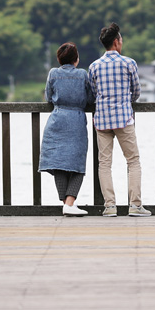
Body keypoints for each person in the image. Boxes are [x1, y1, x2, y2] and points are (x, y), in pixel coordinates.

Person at [88, 22, 150, 217]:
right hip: (123, 118)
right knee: (133, 161)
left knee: (104, 163)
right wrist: (126, 101)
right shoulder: (129, 63)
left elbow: (93, 92)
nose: (122, 42)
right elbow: (137, 91)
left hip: (102, 120)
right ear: (116, 42)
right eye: (121, 39)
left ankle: (110, 207)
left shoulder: (94, 66)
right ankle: (135, 205)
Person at [39, 42, 93, 216]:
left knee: (58, 164)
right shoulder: (82, 74)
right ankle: (69, 204)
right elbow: (90, 98)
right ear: (76, 59)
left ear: (59, 59)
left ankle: (67, 204)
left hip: (57, 119)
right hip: (76, 120)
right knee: (78, 165)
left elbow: (48, 96)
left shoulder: (53, 73)